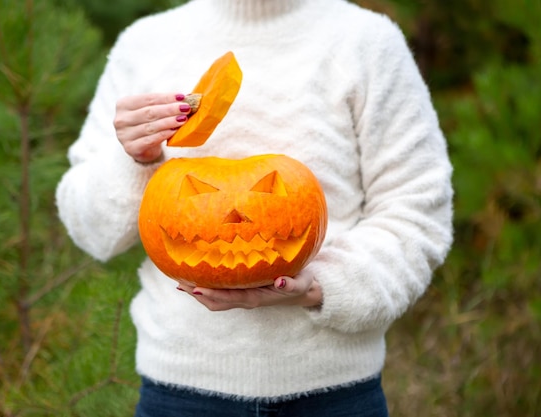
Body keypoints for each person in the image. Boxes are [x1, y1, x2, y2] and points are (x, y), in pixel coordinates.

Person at [55, 0, 454, 415]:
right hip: (179, 396)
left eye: (268, 191)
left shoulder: (367, 42)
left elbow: (417, 215)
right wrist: (134, 159)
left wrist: (320, 287)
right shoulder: (144, 45)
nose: (235, 215)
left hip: (336, 395)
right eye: (200, 193)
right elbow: (90, 231)